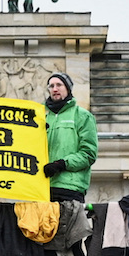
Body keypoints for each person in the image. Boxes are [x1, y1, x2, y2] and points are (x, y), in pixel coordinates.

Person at [40, 73, 96, 206]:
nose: (55, 89)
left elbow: (89, 154)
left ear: (68, 88)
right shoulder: (41, 116)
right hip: (42, 188)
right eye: (51, 86)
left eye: (59, 85)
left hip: (70, 188)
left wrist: (62, 164)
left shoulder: (82, 116)